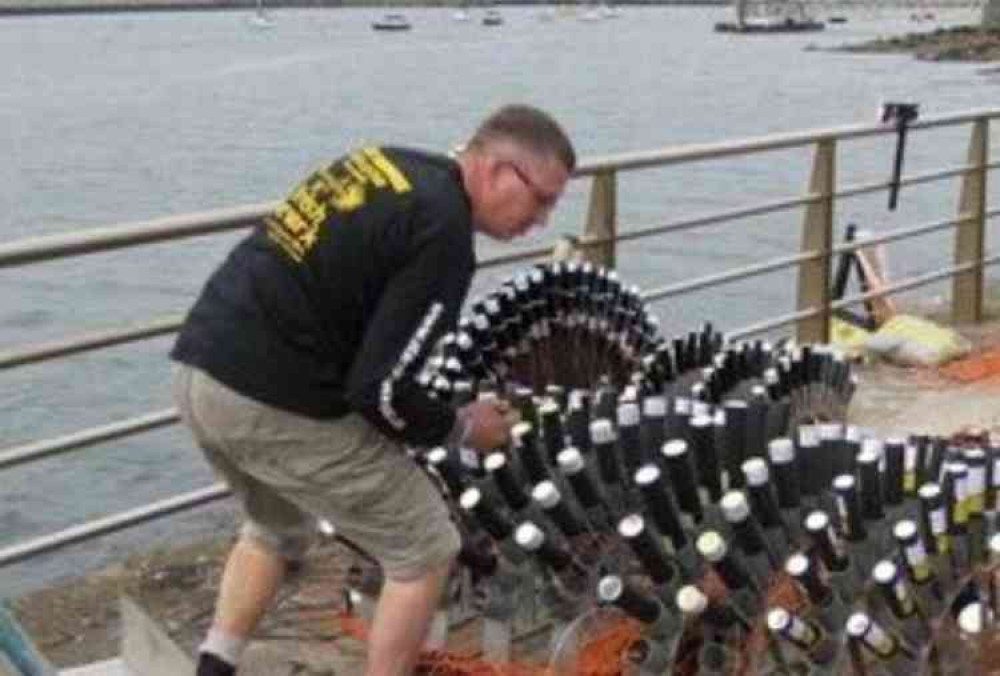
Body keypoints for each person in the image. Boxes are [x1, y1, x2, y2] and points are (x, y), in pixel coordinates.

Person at [170, 103, 576, 676]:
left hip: (200, 371)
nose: (542, 219)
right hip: (270, 401)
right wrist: (463, 427)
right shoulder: (444, 235)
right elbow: (381, 392)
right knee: (426, 547)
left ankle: (216, 665)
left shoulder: (390, 164)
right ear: (498, 170)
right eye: (542, 199)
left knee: (277, 525)